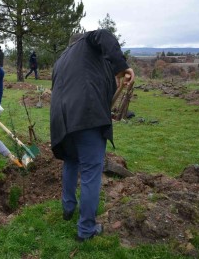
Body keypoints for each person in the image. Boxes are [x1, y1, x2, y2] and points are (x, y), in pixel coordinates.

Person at [50, 29, 135, 242]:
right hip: (86, 117)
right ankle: (86, 229)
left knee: (70, 162)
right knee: (90, 172)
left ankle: (68, 208)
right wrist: (122, 66)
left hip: (61, 120)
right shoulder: (88, 42)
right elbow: (104, 35)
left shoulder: (61, 61)